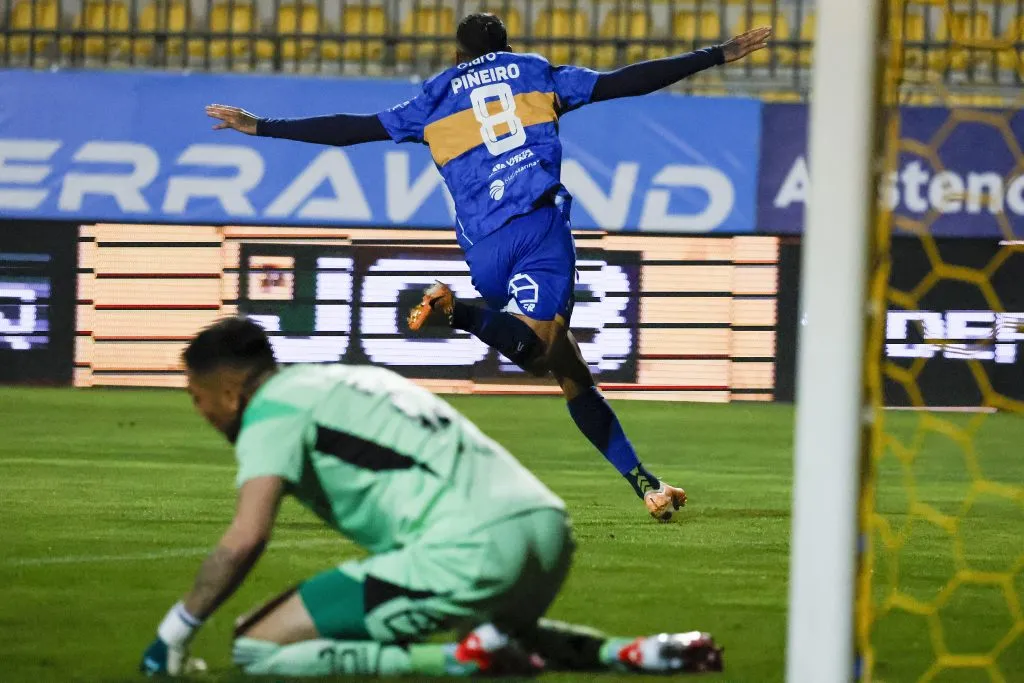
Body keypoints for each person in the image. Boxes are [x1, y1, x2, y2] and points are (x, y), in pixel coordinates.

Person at [205, 15, 771, 520]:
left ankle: (645, 484)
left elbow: (350, 130)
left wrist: (263, 126)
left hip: (484, 249)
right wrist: (716, 54)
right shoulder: (535, 72)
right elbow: (625, 82)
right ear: (506, 45)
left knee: (570, 371)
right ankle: (455, 311)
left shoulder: (432, 97)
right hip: (537, 228)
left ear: (457, 55)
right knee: (534, 352)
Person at [139, 317, 724, 677]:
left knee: (255, 646)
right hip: (546, 529)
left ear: (228, 387)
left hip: (470, 548)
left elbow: (246, 537)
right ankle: (647, 654)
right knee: (508, 635)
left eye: (197, 398)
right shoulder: (342, 377)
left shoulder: (269, 409)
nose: (200, 413)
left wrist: (175, 632)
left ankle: (457, 662)